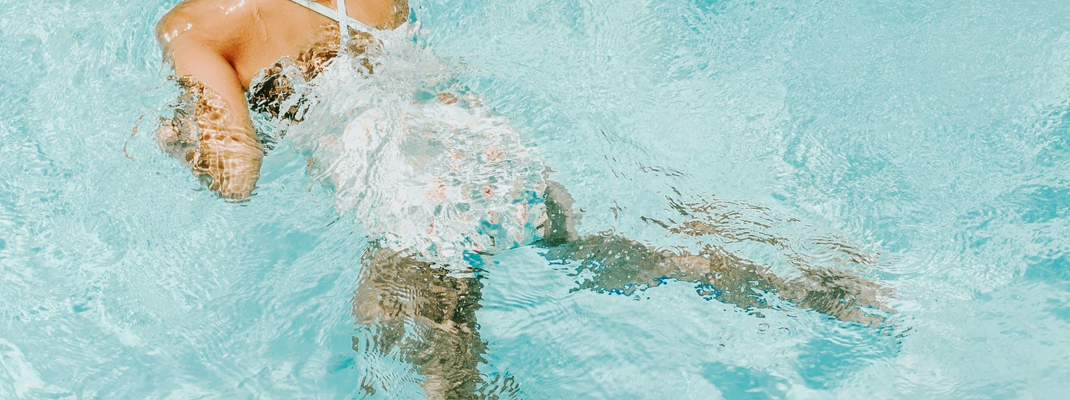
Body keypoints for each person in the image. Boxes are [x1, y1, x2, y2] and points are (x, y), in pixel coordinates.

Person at [152, 0, 891, 398]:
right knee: (609, 250)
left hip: (413, 206)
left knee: (430, 375)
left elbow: (236, 176)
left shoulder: (198, 24)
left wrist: (183, 137)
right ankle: (819, 283)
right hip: (490, 151)